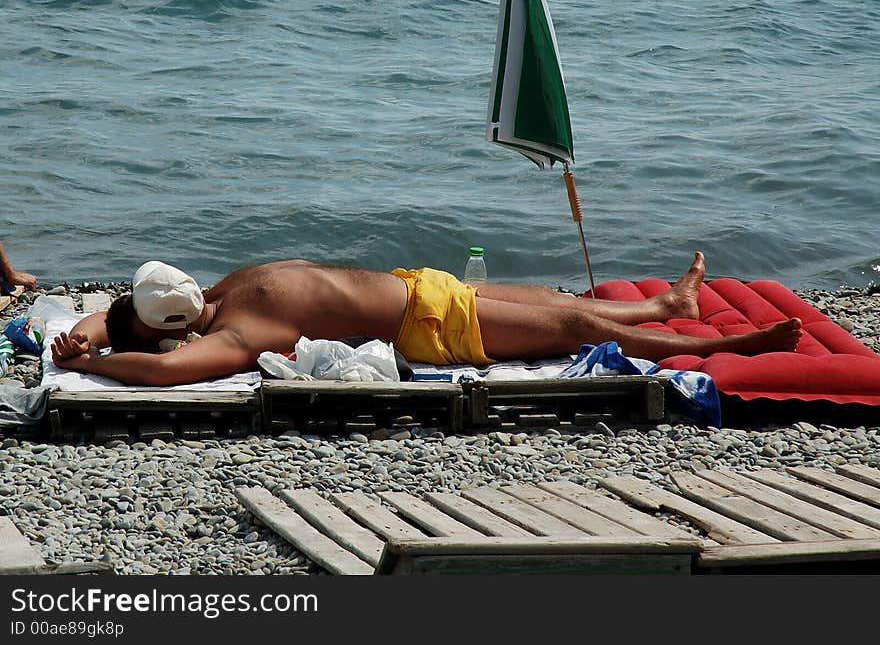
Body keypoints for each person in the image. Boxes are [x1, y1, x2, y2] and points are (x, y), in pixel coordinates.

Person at [50, 253, 803, 388]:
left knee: (558, 302)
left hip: (421, 288)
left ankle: (668, 306)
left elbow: (131, 323)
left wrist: (89, 332)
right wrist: (91, 359)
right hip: (428, 332)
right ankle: (738, 340)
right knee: (576, 332)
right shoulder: (234, 326)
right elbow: (156, 363)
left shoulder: (223, 297)